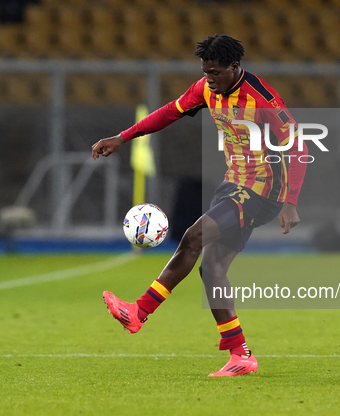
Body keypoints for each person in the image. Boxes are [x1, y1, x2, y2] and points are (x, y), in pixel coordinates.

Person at [91, 35, 308, 377]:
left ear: (235, 68)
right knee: (212, 269)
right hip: (234, 185)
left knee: (193, 237)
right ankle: (241, 355)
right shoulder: (207, 88)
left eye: (216, 72)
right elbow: (169, 112)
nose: (209, 79)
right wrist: (124, 136)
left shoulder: (262, 99)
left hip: (262, 191)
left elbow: (297, 147)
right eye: (205, 72)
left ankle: (139, 313)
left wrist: (290, 202)